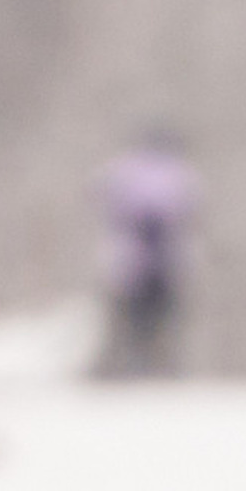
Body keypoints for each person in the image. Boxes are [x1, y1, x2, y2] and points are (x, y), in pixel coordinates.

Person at [95, 128, 199, 377]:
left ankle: (149, 365)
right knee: (141, 320)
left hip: (153, 265)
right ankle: (143, 365)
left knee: (146, 320)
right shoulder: (173, 174)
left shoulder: (135, 171)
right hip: (143, 265)